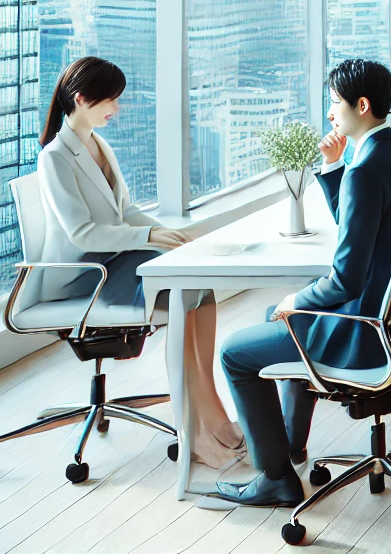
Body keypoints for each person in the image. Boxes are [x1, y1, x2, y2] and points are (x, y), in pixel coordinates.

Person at [216, 59, 391, 506]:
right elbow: (366, 230)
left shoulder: (365, 170)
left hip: (365, 330)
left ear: (363, 105)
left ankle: (275, 477)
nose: (331, 113)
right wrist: (333, 168)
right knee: (274, 320)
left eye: (335, 103)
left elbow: (347, 279)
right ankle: (289, 445)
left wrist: (295, 298)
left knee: (235, 352)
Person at [35, 57, 245, 469]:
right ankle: (195, 432)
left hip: (115, 258)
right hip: (85, 276)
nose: (116, 108)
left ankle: (211, 415)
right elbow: (83, 234)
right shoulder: (55, 158)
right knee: (185, 294)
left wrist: (167, 235)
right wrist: (148, 238)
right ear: (81, 99)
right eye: (110, 100)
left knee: (200, 288)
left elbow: (125, 210)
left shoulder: (97, 144)